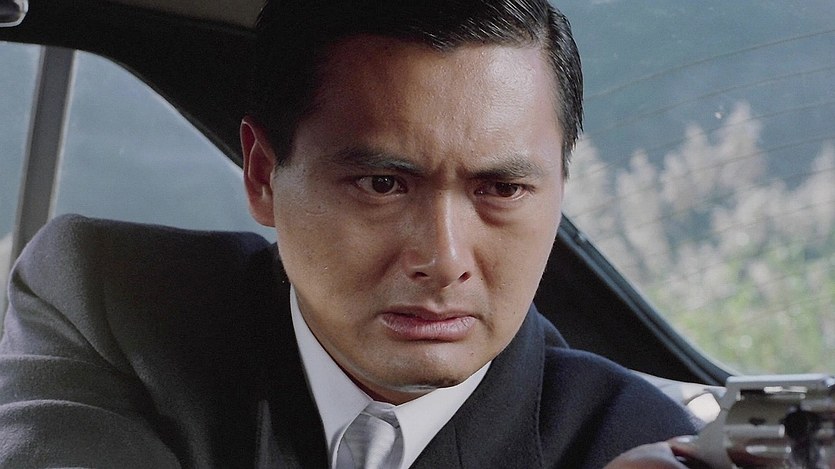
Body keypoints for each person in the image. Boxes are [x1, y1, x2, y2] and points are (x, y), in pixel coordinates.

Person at [0, 0, 703, 467]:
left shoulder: (634, 439)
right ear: (263, 175)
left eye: (501, 189)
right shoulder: (108, 304)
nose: (443, 260)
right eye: (382, 184)